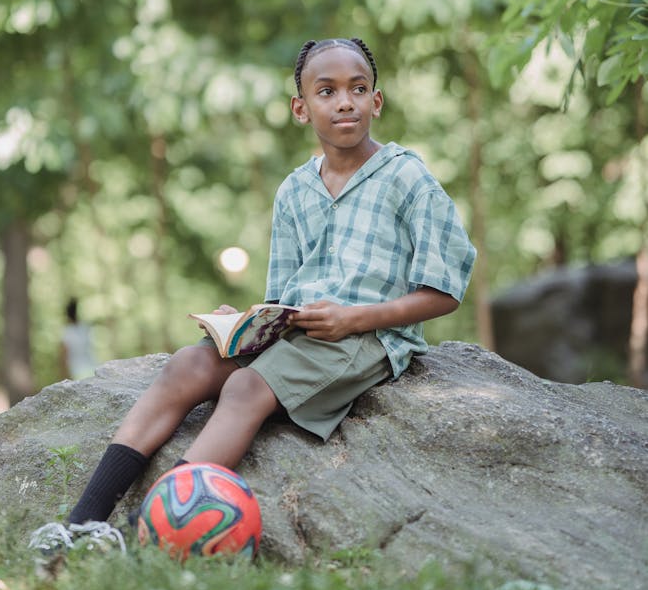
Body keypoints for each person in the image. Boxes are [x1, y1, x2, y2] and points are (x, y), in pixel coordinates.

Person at [29, 37, 476, 556]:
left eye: (358, 89)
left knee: (245, 390)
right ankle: (79, 526)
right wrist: (244, 322)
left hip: (366, 337)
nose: (344, 102)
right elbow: (283, 295)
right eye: (326, 91)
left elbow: (443, 292)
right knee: (186, 367)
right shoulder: (294, 191)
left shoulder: (408, 177)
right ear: (301, 108)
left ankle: (143, 534)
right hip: (299, 333)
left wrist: (355, 319)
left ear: (377, 100)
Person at [60, 298, 97, 381]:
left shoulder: (67, 332)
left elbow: (64, 356)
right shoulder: (85, 328)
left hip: (76, 371)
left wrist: (64, 376)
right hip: (92, 368)